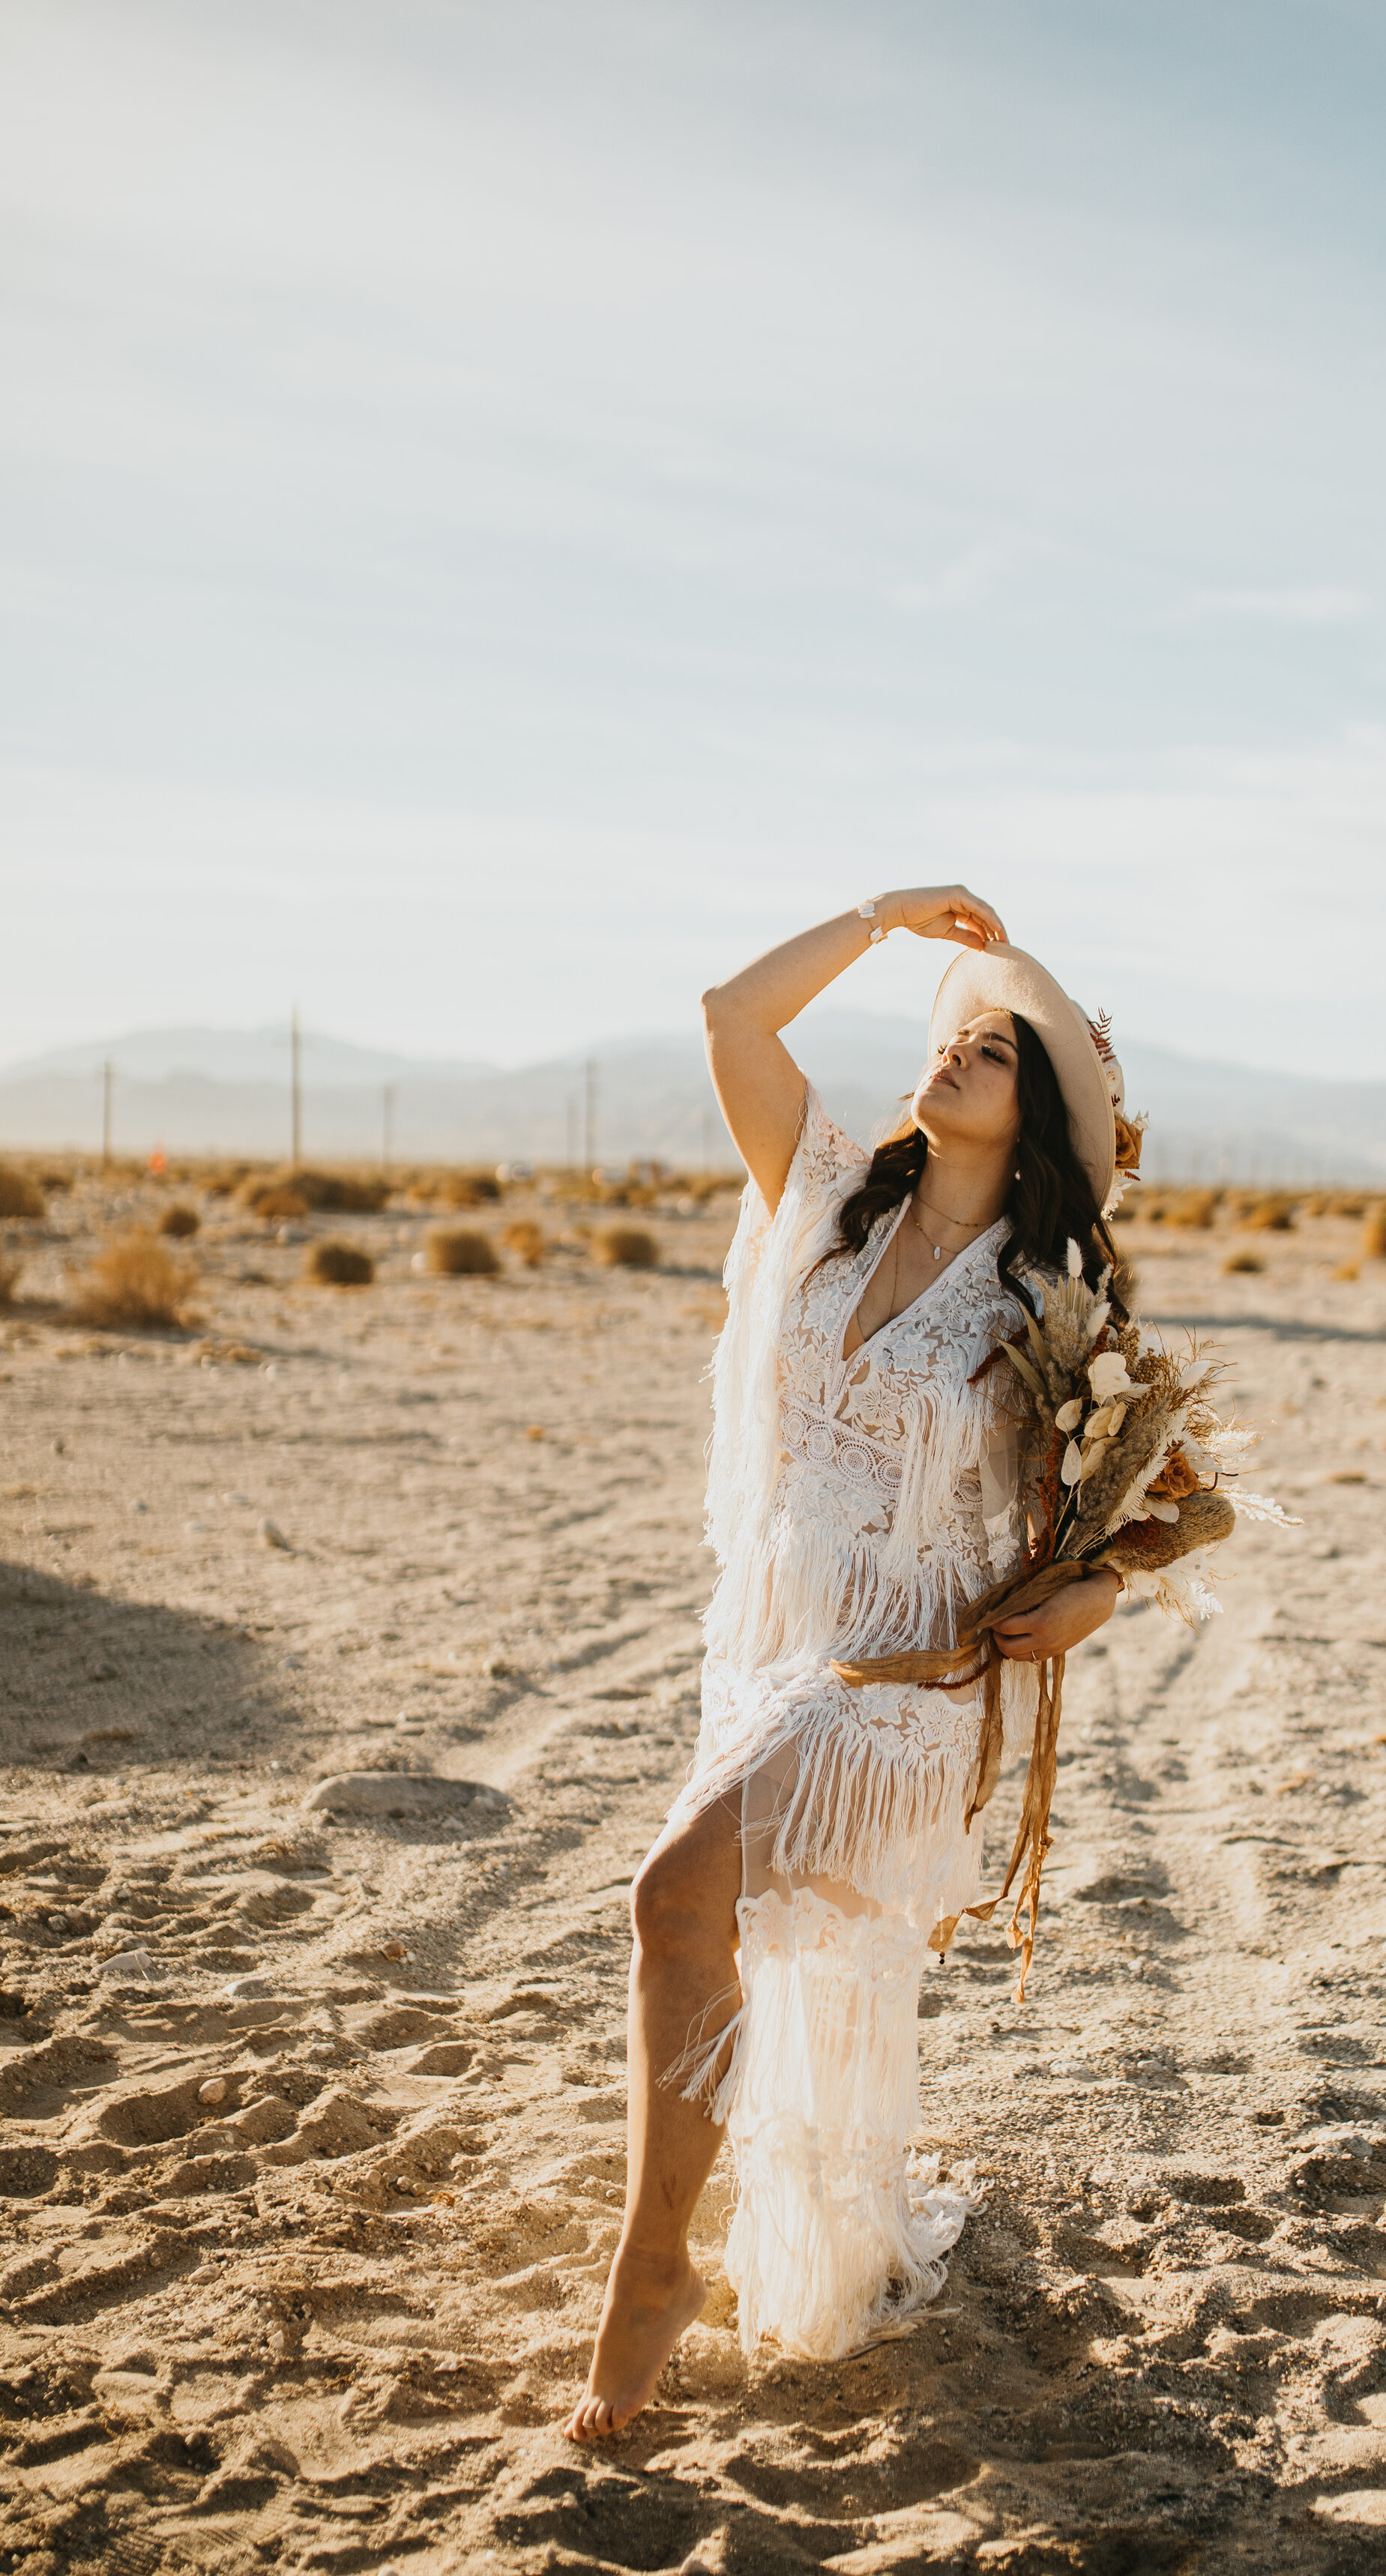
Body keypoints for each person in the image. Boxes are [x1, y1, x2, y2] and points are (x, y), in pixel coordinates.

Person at [564, 886, 1145, 2440]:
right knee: (706, 1930)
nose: (948, 1057)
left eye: (990, 1052)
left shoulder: (1050, 1305)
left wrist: (1087, 1599)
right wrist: (885, 919)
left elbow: (1137, 1504)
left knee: (670, 1897)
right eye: (945, 1039)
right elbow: (730, 1017)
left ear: (1033, 1123)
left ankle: (647, 2272)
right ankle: (684, 2244)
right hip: (775, 1651)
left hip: (906, 1682)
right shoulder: (825, 1196)